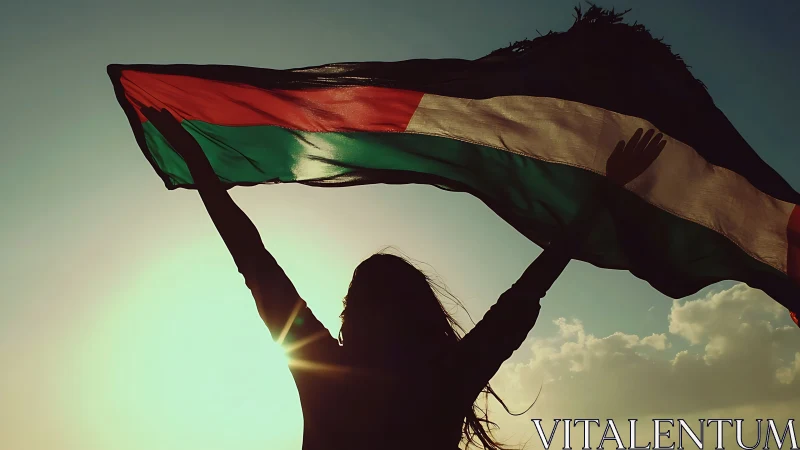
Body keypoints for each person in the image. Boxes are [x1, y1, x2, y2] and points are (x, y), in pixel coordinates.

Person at [141, 107, 666, 450]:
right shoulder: (449, 376)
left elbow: (255, 263)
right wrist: (600, 196)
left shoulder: (325, 370)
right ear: (420, 312)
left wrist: (202, 169)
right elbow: (529, 290)